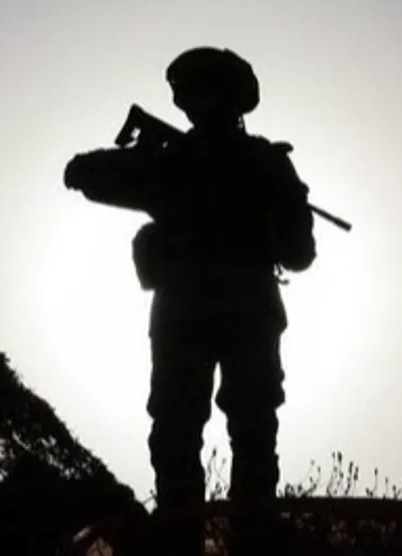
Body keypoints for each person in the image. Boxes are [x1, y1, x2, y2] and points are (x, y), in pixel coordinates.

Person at [63, 47, 317, 555]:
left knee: (246, 425)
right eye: (192, 92)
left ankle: (245, 535)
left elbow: (299, 252)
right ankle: (189, 536)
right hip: (199, 315)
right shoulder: (180, 161)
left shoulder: (259, 164)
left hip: (230, 314)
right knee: (183, 429)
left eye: (206, 90)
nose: (197, 101)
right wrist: (152, 161)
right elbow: (83, 174)